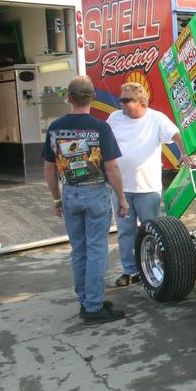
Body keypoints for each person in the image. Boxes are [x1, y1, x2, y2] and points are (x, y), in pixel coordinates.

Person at [42, 76, 129, 325]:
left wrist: (57, 199)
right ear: (92, 98)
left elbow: (49, 170)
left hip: (69, 192)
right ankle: (93, 306)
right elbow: (111, 167)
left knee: (79, 250)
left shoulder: (55, 128)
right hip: (95, 193)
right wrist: (121, 198)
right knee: (97, 249)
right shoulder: (100, 128)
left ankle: (87, 299)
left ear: (69, 97)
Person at [107, 82, 190, 287]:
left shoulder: (156, 118)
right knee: (125, 231)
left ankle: (157, 267)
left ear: (141, 101)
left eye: (126, 100)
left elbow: (176, 134)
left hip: (147, 188)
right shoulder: (115, 118)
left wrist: (184, 152)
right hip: (121, 189)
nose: (122, 104)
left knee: (153, 231)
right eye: (121, 99)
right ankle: (130, 271)